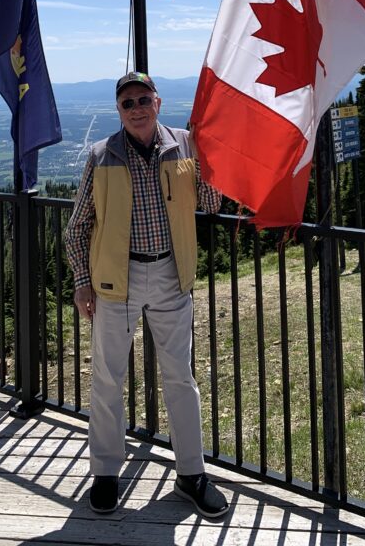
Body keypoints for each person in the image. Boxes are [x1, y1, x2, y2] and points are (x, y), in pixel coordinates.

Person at [65, 72, 229, 520]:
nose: (136, 108)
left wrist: (210, 158)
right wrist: (82, 280)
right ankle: (105, 474)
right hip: (115, 282)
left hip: (171, 277)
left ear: (158, 102)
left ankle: (191, 474)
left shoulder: (186, 146)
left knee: (181, 379)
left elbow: (211, 204)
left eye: (143, 99)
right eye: (127, 103)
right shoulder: (102, 156)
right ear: (119, 111)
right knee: (107, 380)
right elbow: (77, 226)